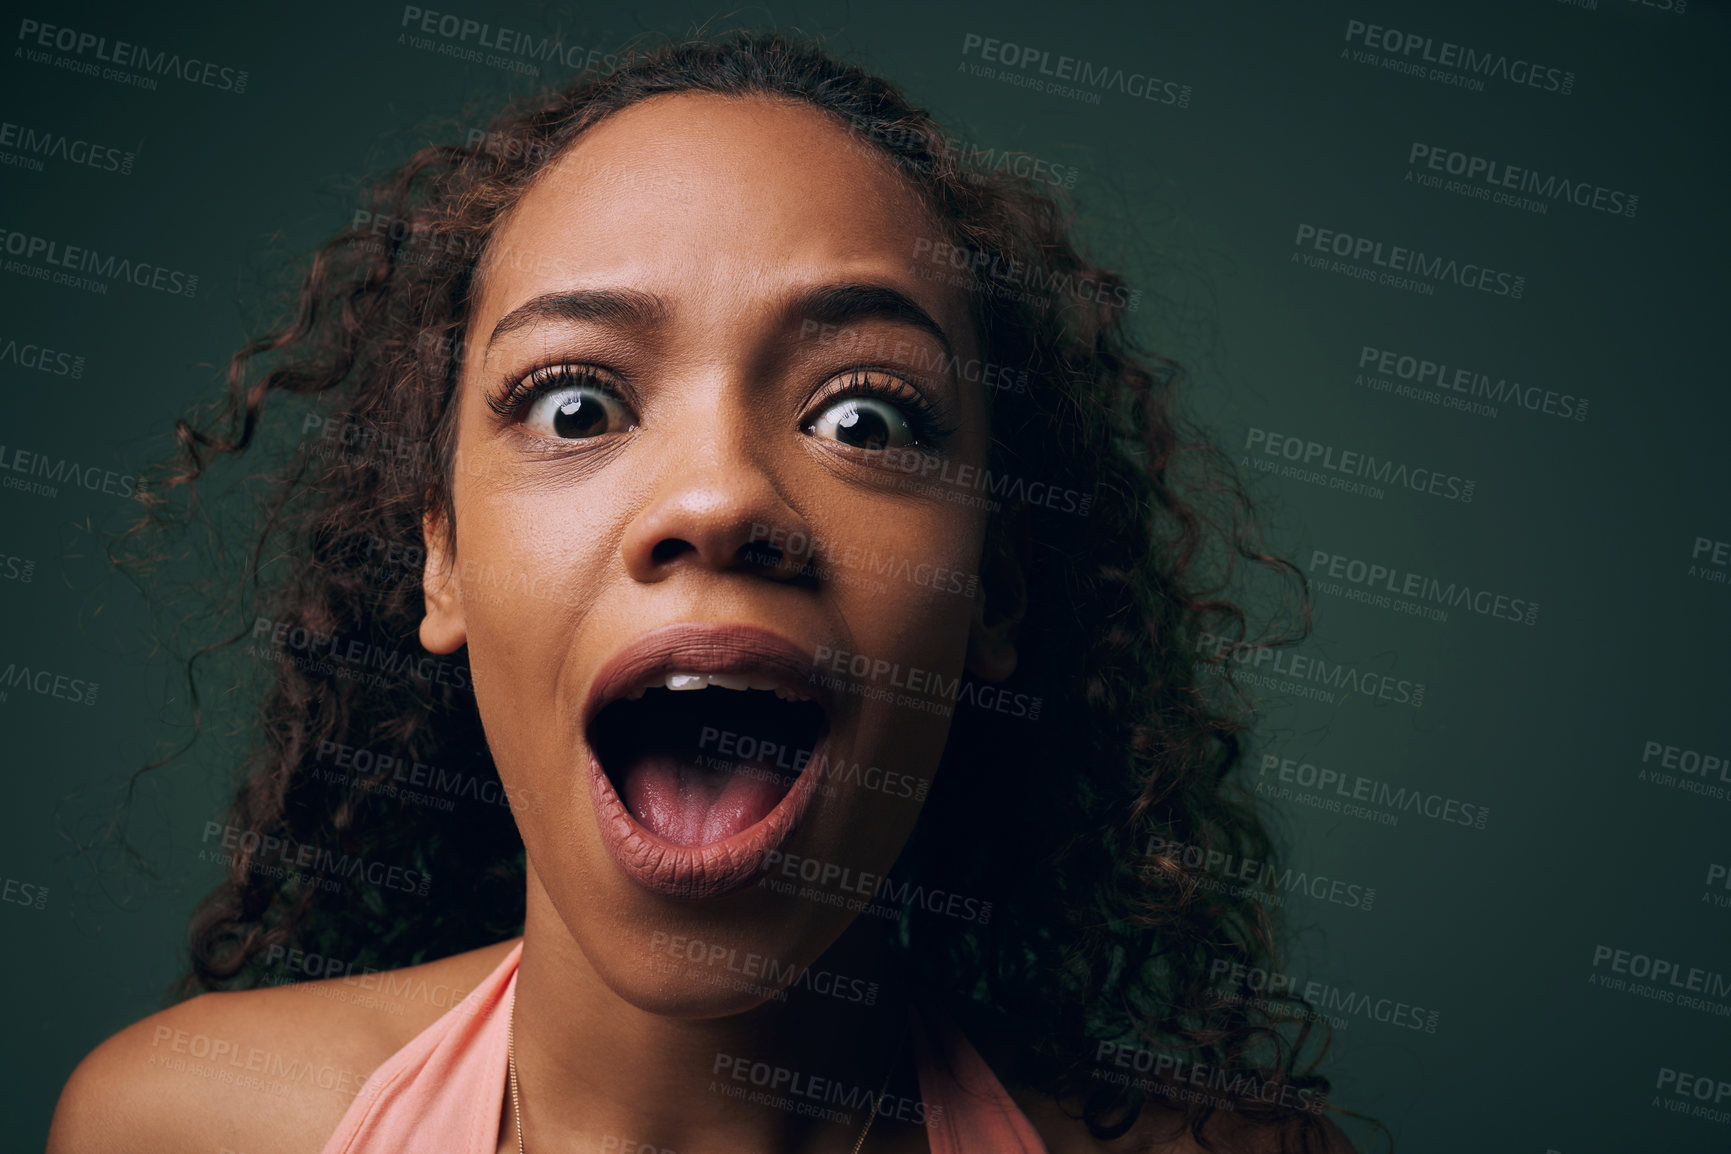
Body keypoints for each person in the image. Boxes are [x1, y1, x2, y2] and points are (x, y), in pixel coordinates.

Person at [49, 31, 1354, 1154]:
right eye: (577, 401)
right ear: (438, 555)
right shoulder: (179, 1125)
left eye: (866, 417)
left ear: (992, 595)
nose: (719, 497)